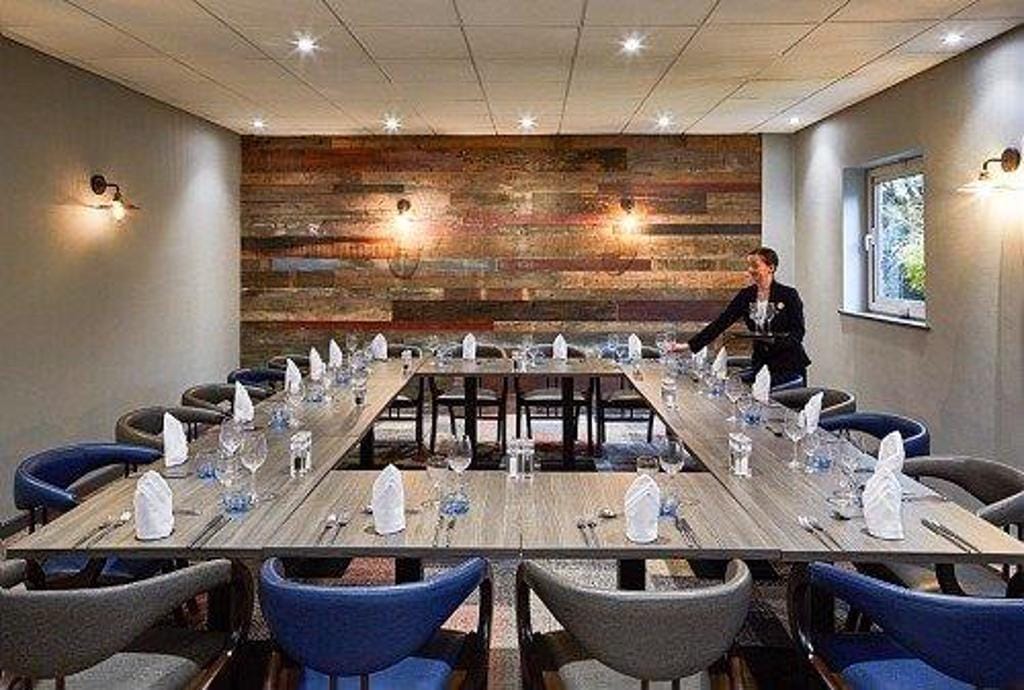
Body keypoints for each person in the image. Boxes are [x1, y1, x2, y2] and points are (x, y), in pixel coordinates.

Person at [685, 246, 810, 386]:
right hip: (761, 365)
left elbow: (798, 332)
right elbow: (721, 322)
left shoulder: (788, 295)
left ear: (771, 268)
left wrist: (775, 342)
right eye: (749, 266)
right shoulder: (746, 295)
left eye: (755, 265)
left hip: (789, 366)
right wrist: (689, 346)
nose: (750, 270)